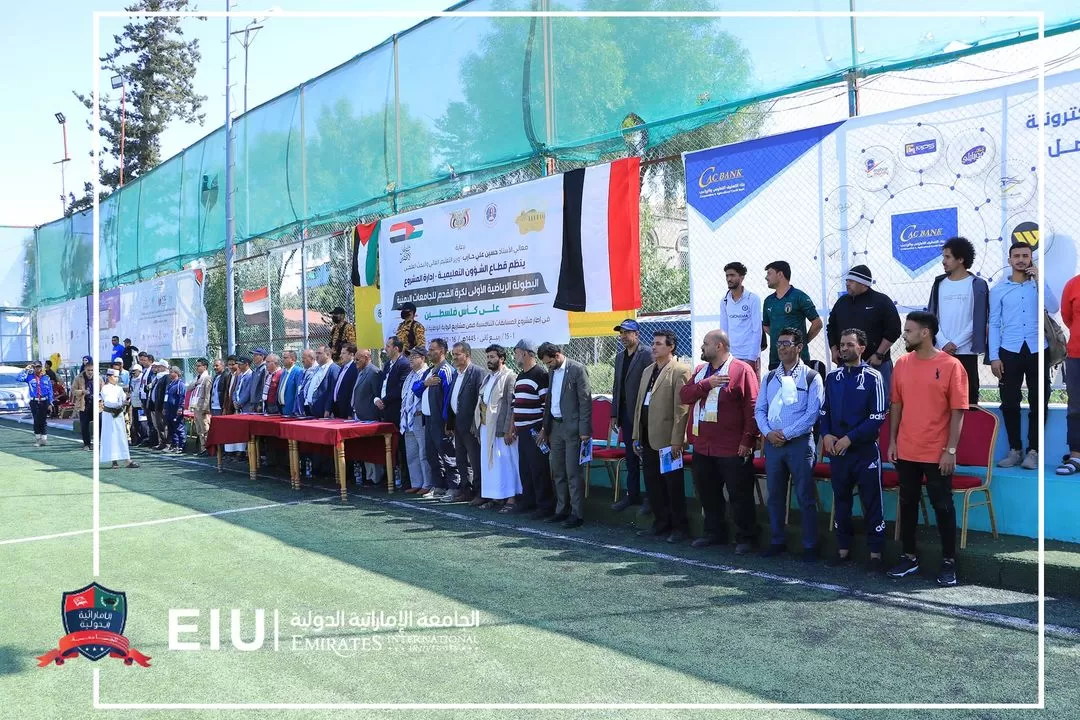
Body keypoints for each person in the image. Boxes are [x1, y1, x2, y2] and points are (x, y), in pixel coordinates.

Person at [886, 311, 969, 586]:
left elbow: (958, 411)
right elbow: (896, 405)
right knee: (907, 503)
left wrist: (951, 450)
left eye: (908, 331)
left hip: (937, 451)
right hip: (907, 450)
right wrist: (893, 440)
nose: (904, 335)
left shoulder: (952, 365)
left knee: (942, 505)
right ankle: (909, 557)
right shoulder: (902, 364)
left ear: (925, 333)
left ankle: (948, 562)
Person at [680, 329, 759, 553]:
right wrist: (708, 384)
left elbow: (752, 407)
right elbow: (685, 396)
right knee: (707, 493)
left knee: (739, 494)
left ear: (719, 346)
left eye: (705, 343)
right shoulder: (701, 371)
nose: (701, 348)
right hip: (703, 446)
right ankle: (714, 532)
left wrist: (748, 440)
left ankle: (746, 537)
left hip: (732, 447)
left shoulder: (741, 370)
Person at [820, 328, 888, 572]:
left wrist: (850, 438)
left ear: (862, 348)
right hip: (838, 453)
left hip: (865, 452)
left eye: (849, 344)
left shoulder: (874, 377)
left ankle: (876, 554)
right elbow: (824, 410)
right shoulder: (832, 378)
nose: (844, 349)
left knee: (871, 502)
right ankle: (842, 550)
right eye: (841, 344)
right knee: (842, 500)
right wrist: (826, 434)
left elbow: (878, 416)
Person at [754, 327, 824, 561]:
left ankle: (810, 545)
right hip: (773, 444)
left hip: (800, 444)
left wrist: (786, 433)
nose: (781, 348)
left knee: (805, 495)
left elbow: (812, 414)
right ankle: (777, 541)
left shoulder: (812, 376)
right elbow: (760, 409)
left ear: (799, 347)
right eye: (778, 344)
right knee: (775, 495)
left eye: (786, 343)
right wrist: (768, 433)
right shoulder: (770, 377)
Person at [989, 242, 1058, 470]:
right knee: (1009, 402)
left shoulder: (1038, 284)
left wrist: (1039, 280)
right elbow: (994, 324)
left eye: (1025, 256)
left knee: (1040, 401)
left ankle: (1033, 451)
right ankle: (1015, 449)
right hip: (1009, 350)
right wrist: (994, 357)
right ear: (1009, 260)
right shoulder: (998, 289)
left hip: (1039, 349)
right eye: (1016, 256)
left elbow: (1053, 306)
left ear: (1031, 259)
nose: (1021, 260)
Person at [631, 330, 692, 543]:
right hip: (647, 437)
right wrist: (636, 435)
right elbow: (640, 404)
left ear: (671, 347)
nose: (654, 347)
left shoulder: (680, 370)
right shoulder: (648, 370)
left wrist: (678, 439)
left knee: (673, 485)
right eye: (653, 343)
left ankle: (679, 528)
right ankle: (660, 523)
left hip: (668, 441)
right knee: (653, 483)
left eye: (658, 344)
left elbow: (681, 409)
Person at [926, 237, 990, 406]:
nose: (943, 261)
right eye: (943, 257)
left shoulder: (977, 284)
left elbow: (978, 319)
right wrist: (944, 343)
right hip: (941, 352)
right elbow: (933, 317)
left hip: (966, 352)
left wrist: (955, 343)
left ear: (961, 259)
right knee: (939, 402)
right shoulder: (939, 283)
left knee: (968, 402)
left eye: (947, 257)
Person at [538, 342, 591, 528]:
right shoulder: (552, 372)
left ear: (558, 354)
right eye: (546, 363)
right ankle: (561, 510)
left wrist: (584, 431)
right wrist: (546, 428)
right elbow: (550, 400)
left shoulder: (577, 369)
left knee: (572, 473)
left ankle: (577, 514)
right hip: (556, 427)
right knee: (558, 471)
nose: (548, 365)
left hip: (573, 429)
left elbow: (585, 402)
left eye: (550, 361)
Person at [826, 265, 901, 393]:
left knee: (883, 400)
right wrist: (834, 349)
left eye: (851, 281)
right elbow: (831, 327)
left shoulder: (881, 301)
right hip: (847, 364)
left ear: (864, 284)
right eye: (847, 281)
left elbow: (894, 329)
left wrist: (879, 354)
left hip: (877, 364)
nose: (847, 284)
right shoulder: (842, 302)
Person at [507, 339, 554, 518]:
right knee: (525, 468)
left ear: (525, 353)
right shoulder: (520, 376)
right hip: (522, 431)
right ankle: (528, 501)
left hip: (535, 430)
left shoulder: (540, 375)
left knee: (539, 469)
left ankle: (545, 506)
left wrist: (543, 430)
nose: (515, 356)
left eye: (517, 353)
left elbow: (546, 406)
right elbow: (515, 405)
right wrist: (513, 426)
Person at [609, 319, 651, 514]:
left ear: (637, 334)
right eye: (621, 333)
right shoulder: (619, 357)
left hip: (643, 415)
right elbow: (617, 387)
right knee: (630, 457)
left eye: (627, 332)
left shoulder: (647, 354)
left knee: (646, 457)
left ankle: (651, 498)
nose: (624, 336)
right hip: (625, 415)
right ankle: (632, 494)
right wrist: (614, 414)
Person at [474, 344, 519, 511]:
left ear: (502, 359)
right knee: (490, 465)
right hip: (487, 427)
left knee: (505, 463)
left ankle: (511, 499)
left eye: (492, 357)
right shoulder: (488, 378)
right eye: (488, 357)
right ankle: (496, 497)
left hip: (501, 429)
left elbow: (511, 405)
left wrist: (508, 429)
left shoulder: (510, 377)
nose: (489, 360)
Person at [415, 339, 458, 499]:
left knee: (447, 454)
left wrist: (448, 421)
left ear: (441, 351)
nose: (429, 352)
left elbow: (448, 398)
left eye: (432, 350)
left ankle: (454, 487)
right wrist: (425, 384)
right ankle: (439, 486)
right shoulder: (429, 371)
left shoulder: (446, 370)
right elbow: (416, 389)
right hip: (428, 420)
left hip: (441, 421)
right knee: (431, 454)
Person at [762, 260, 822, 371]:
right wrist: (781, 342)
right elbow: (766, 326)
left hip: (799, 359)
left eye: (769, 273)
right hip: (775, 359)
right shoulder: (768, 301)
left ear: (780, 274)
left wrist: (800, 342)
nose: (766, 277)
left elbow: (817, 323)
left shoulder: (799, 296)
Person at [447, 341, 484, 504]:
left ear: (467, 355)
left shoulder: (477, 373)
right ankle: (466, 490)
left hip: (471, 426)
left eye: (457, 354)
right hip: (458, 425)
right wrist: (450, 424)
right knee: (461, 459)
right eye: (453, 354)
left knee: (475, 460)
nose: (454, 357)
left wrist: (475, 424)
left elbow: (479, 401)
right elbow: (452, 400)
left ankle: (479, 492)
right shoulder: (456, 374)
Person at [375, 337, 412, 488]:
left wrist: (385, 400)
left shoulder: (404, 364)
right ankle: (391, 476)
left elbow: (400, 388)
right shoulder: (387, 365)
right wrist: (378, 399)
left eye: (389, 346)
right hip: (386, 411)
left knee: (402, 446)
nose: (386, 349)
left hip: (396, 411)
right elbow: (383, 385)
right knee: (390, 447)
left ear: (397, 348)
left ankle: (406, 479)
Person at [719, 262, 764, 374]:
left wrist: (752, 358)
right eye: (727, 276)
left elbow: (757, 330)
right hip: (731, 357)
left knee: (751, 391)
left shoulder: (752, 299)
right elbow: (723, 331)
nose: (729, 279)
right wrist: (725, 356)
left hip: (749, 356)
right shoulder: (724, 301)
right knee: (730, 390)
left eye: (732, 275)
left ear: (742, 277)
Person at [401, 347, 433, 494]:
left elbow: (418, 391)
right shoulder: (410, 375)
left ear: (423, 358)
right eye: (410, 356)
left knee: (423, 452)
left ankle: (427, 484)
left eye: (414, 356)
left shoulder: (427, 373)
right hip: (408, 417)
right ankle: (416, 482)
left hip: (420, 416)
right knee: (412, 453)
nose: (411, 359)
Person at [351, 348, 384, 486]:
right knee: (365, 448)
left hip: (370, 417)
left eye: (358, 359)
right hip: (360, 416)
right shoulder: (361, 372)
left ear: (366, 357)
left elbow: (377, 396)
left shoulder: (374, 372)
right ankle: (369, 476)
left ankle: (376, 477)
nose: (355, 362)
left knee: (373, 448)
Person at [1058, 273, 1080, 476]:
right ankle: (1075, 456)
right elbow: (1067, 317)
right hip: (1076, 356)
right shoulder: (1073, 284)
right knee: (1076, 407)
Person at [99, 369, 138, 469]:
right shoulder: (105, 388)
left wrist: (126, 399)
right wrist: (121, 403)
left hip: (119, 415)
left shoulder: (119, 388)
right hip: (109, 415)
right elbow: (108, 402)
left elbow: (124, 399)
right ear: (109, 377)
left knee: (121, 436)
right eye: (115, 376)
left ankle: (127, 460)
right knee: (111, 437)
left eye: (117, 377)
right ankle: (114, 460)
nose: (116, 379)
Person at [19, 361, 54, 447]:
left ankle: (44, 439)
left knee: (43, 420)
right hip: (34, 401)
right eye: (35, 367)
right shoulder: (29, 377)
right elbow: (19, 378)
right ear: (33, 368)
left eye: (39, 367)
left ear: (41, 367)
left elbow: (50, 391)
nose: (37, 368)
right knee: (36, 420)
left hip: (44, 401)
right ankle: (38, 439)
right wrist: (25, 370)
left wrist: (50, 403)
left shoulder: (46, 378)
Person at [71, 362, 96, 451]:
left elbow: (103, 389)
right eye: (88, 370)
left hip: (97, 405)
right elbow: (73, 390)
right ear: (85, 369)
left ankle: (98, 443)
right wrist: (82, 392)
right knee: (84, 426)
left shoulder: (99, 378)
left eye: (92, 370)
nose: (90, 372)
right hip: (84, 404)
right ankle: (87, 444)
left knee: (99, 424)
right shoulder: (78, 378)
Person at [190, 358, 212, 453]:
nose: (197, 368)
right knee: (199, 429)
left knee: (205, 428)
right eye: (197, 366)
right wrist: (196, 382)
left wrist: (205, 408)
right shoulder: (197, 378)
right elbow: (189, 388)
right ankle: (203, 448)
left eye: (199, 366)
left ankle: (208, 448)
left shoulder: (207, 378)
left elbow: (207, 394)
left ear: (205, 367)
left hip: (202, 407)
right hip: (195, 406)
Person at [164, 365, 187, 454]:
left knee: (179, 427)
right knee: (171, 428)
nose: (170, 374)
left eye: (171, 372)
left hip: (176, 409)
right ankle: (175, 445)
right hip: (169, 409)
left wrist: (180, 407)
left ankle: (182, 446)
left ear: (176, 373)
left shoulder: (180, 384)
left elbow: (182, 397)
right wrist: (165, 407)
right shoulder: (171, 384)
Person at [149, 360, 170, 449]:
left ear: (164, 367)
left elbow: (166, 392)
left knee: (163, 424)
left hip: (161, 405)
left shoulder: (166, 377)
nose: (158, 368)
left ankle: (166, 443)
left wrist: (164, 405)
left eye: (160, 366)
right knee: (158, 425)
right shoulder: (157, 377)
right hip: (155, 405)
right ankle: (161, 442)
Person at [277, 351, 303, 418]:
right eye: (283, 358)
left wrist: (296, 409)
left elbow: (298, 393)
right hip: (282, 409)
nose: (283, 359)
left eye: (285, 358)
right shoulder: (284, 372)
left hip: (292, 411)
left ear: (293, 359)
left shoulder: (298, 371)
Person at [129, 366, 149, 447]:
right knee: (136, 423)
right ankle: (138, 438)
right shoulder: (132, 379)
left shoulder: (142, 378)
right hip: (134, 404)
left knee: (143, 423)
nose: (133, 372)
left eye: (135, 371)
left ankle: (145, 438)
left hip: (141, 405)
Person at [249, 349, 268, 413]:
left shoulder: (264, 368)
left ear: (262, 357)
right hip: (253, 403)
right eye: (253, 355)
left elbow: (263, 387)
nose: (253, 357)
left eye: (256, 355)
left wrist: (260, 402)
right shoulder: (256, 369)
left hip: (259, 404)